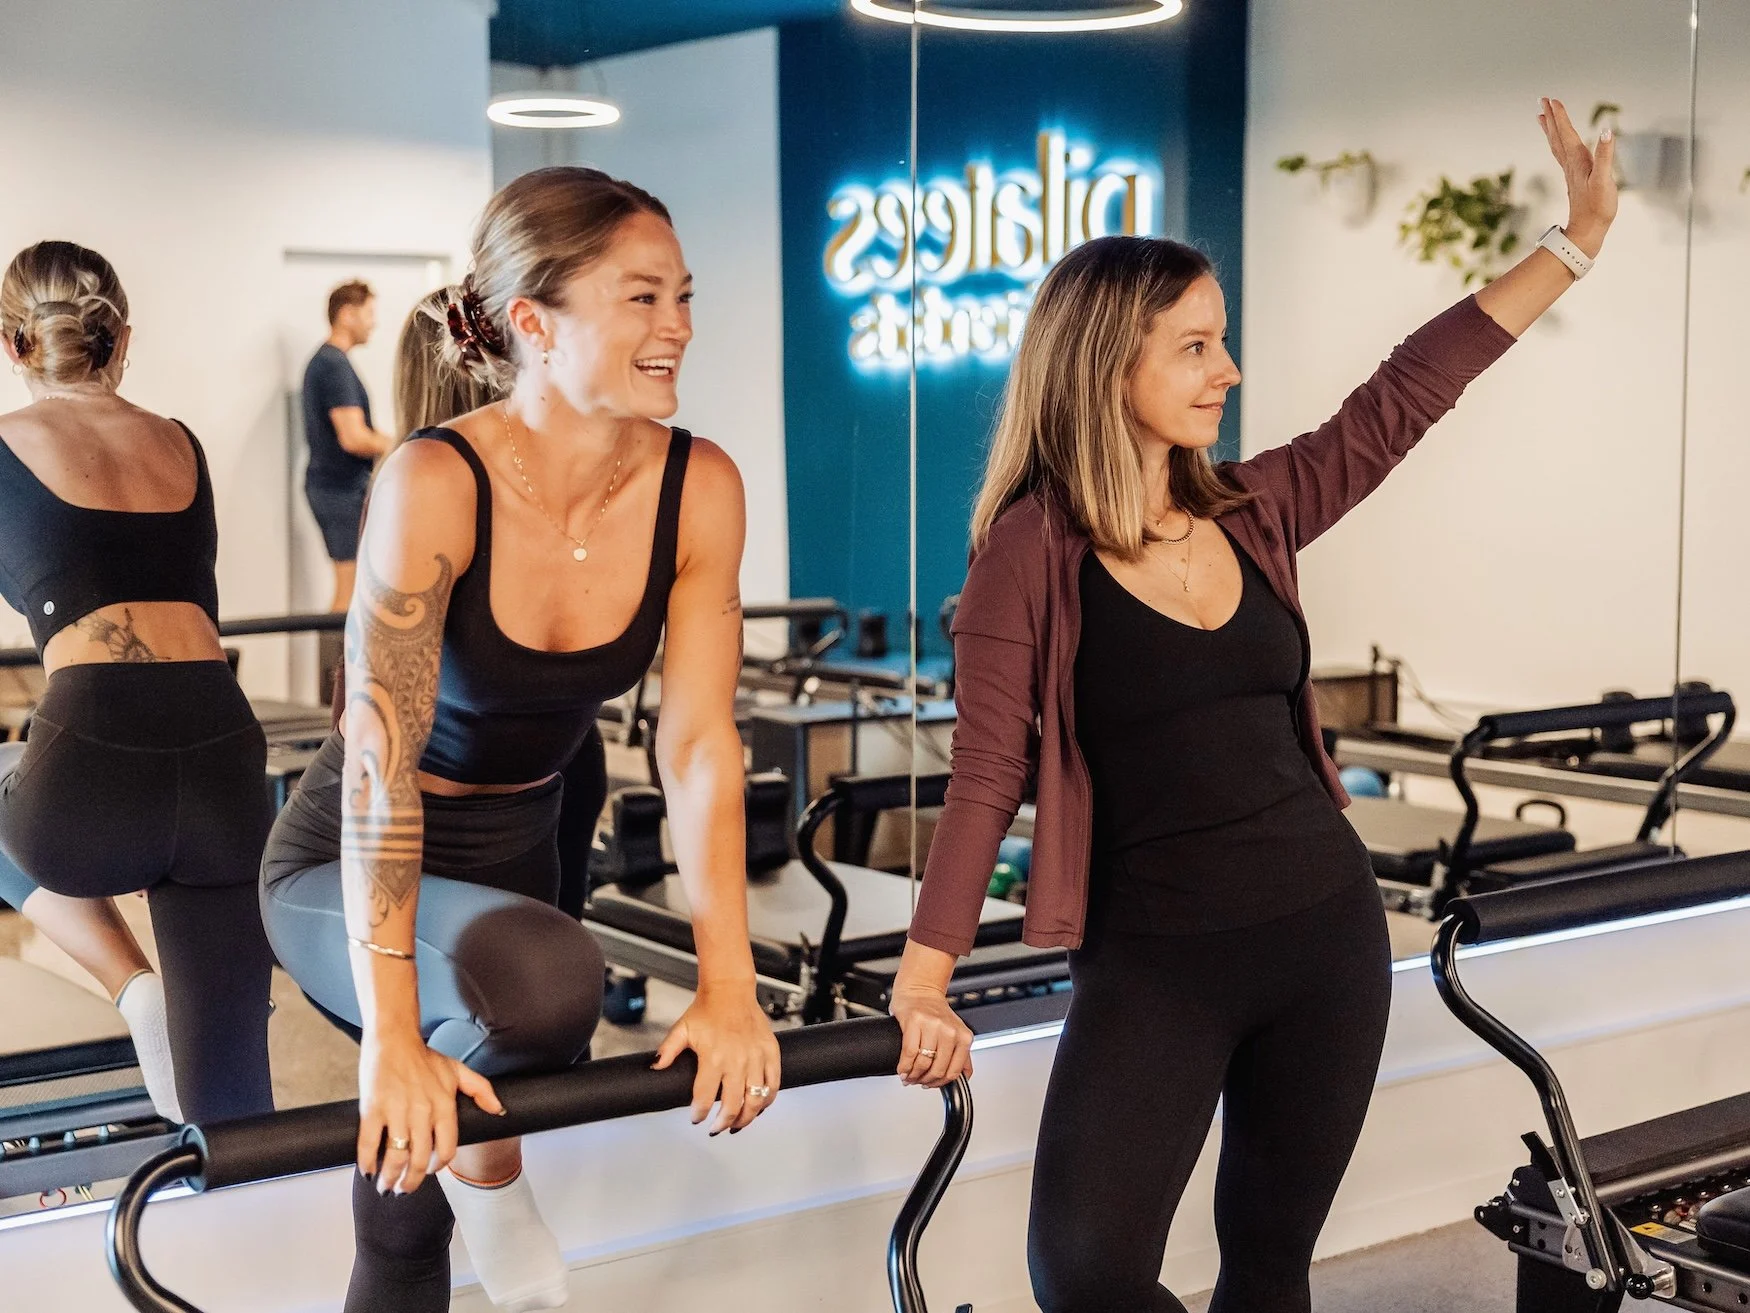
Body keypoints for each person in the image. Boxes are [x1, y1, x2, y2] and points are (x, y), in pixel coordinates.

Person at [889, 99, 1618, 1312]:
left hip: (1325, 938)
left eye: (1221, 340)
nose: (1226, 369)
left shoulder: (1255, 507)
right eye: (1193, 345)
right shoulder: (1028, 551)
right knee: (1086, 1272)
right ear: (1103, 359)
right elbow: (982, 777)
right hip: (1156, 963)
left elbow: (1402, 397)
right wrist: (925, 978)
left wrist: (1574, 239)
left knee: (1269, 1268)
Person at [261, 166, 781, 1313]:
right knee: (538, 995)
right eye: (641, 298)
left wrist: (730, 984)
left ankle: (471, 1193)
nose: (678, 327)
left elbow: (697, 747)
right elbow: (376, 759)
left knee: (416, 1184)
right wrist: (389, 1032)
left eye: (684, 296)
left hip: (521, 845)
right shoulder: (436, 478)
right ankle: (494, 1188)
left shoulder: (700, 485)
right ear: (535, 322)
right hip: (348, 858)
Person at [0, 241, 274, 1126]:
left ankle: (129, 985)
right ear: (123, 341)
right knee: (230, 1096)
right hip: (226, 752)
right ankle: (256, 1225)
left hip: (92, 765)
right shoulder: (179, 444)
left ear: (13, 344)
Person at [303, 279, 393, 612]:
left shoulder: (329, 362)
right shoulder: (333, 365)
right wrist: (401, 443)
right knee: (349, 589)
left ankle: (342, 666)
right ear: (347, 313)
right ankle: (340, 667)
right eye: (369, 313)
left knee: (353, 586)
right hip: (339, 492)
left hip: (336, 490)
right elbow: (354, 438)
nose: (374, 322)